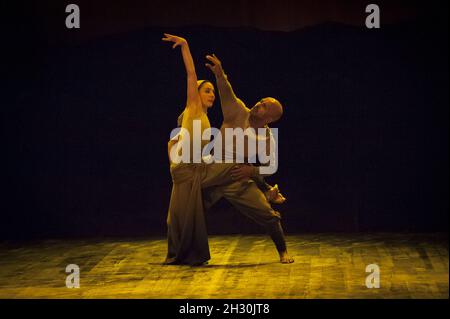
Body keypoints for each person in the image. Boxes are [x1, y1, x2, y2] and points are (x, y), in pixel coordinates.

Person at [204, 53, 294, 263]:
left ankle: (283, 252)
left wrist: (251, 171)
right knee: (191, 208)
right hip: (214, 170)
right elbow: (227, 93)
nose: (257, 104)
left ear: (269, 118)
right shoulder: (238, 111)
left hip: (237, 177)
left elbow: (271, 166)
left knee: (268, 216)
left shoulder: (266, 137)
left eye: (263, 106)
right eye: (260, 101)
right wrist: (219, 74)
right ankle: (187, 252)